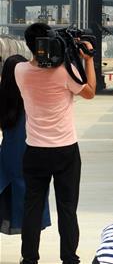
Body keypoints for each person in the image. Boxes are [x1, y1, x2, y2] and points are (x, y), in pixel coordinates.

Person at [17, 22, 96, 264]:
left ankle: (29, 259)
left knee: (32, 206)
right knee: (67, 208)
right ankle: (69, 258)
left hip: (35, 150)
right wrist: (88, 59)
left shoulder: (20, 70)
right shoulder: (65, 71)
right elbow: (90, 91)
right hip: (65, 151)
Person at [0, 55, 51, 235]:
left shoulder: (4, 99)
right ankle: (29, 252)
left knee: (6, 198)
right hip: (33, 153)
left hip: (8, 156)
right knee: (33, 201)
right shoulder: (34, 96)